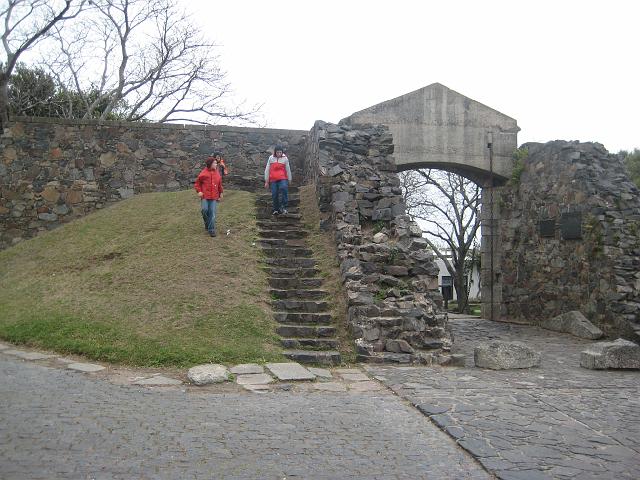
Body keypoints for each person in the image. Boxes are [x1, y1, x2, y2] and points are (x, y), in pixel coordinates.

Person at [195, 156, 224, 237]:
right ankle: (207, 223)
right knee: (204, 210)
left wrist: (221, 192)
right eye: (214, 163)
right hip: (205, 196)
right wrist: (199, 191)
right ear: (210, 164)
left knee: (212, 212)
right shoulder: (203, 173)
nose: (216, 164)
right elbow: (197, 184)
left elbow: (219, 184)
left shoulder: (217, 173)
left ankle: (211, 229)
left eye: (216, 163)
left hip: (214, 197)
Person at [264, 145, 292, 215]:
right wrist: (266, 181)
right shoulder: (271, 158)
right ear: (275, 152)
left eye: (280, 152)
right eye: (277, 152)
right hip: (273, 179)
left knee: (284, 188)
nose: (279, 154)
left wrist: (289, 179)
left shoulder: (285, 158)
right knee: (274, 194)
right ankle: (276, 209)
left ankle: (283, 207)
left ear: (282, 152)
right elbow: (267, 169)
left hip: (283, 178)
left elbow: (288, 169)